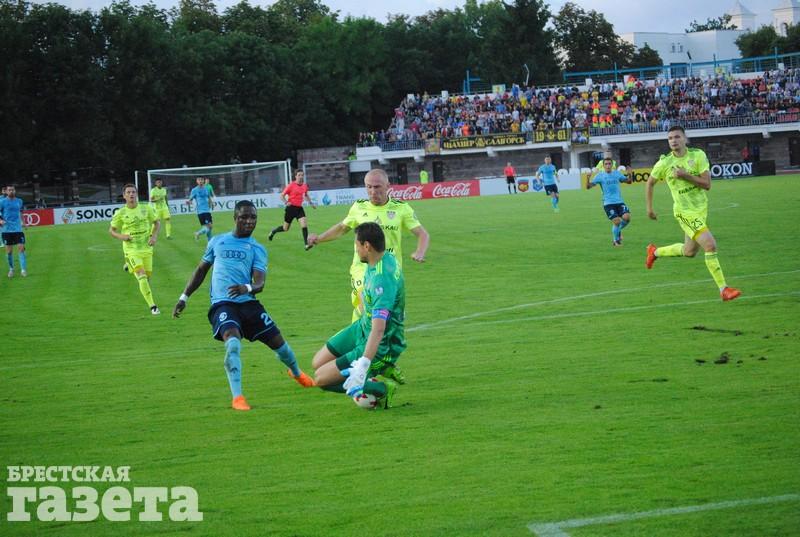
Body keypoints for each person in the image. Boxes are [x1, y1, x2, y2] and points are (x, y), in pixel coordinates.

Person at [172, 200, 314, 411]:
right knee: (232, 343)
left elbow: (260, 283)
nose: (249, 221)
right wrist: (184, 297)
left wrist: (246, 288)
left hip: (248, 304)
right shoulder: (217, 242)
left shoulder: (257, 248)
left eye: (253, 217)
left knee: (280, 344)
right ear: (235, 218)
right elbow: (201, 270)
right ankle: (237, 397)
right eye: (244, 217)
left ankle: (296, 372)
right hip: (223, 304)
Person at [306, 169, 429, 384]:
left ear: (388, 186)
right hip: (362, 271)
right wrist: (319, 238)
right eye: (369, 187)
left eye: (377, 187)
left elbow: (422, 234)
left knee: (374, 321)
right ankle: (368, 367)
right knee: (367, 315)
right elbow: (342, 228)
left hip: (387, 275)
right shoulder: (359, 207)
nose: (373, 191)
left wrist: (420, 251)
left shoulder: (401, 208)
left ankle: (372, 365)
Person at [311, 222, 403, 409]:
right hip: (361, 327)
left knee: (321, 379)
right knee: (317, 362)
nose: (356, 250)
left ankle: (382, 388)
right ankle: (380, 371)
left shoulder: (381, 281)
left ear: (367, 246)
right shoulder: (383, 258)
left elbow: (379, 329)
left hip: (377, 343)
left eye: (357, 245)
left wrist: (363, 364)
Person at [645, 126, 741, 301]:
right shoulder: (664, 163)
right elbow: (650, 183)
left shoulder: (698, 155)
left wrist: (685, 175)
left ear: (685, 138)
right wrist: (649, 208)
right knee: (710, 245)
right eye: (670, 138)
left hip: (701, 209)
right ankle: (724, 289)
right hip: (684, 212)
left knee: (689, 251)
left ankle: (655, 252)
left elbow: (707, 184)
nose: (673, 141)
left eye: (677, 137)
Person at [109, 184, 161, 314]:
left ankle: (129, 265)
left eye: (133, 192)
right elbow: (111, 230)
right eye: (128, 192)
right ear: (124, 196)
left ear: (136, 194)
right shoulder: (121, 213)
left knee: (147, 279)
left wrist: (154, 236)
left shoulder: (146, 208)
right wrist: (122, 236)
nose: (131, 194)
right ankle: (153, 306)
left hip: (147, 248)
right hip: (131, 249)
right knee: (142, 276)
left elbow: (157, 223)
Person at [587, 158, 632, 246]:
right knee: (617, 221)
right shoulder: (600, 175)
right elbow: (588, 186)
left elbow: (629, 182)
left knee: (627, 217)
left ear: (612, 165)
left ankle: (618, 230)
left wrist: (630, 174)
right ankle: (616, 241)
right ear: (603, 166)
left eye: (609, 164)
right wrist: (588, 178)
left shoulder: (617, 173)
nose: (608, 166)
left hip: (619, 201)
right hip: (608, 203)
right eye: (606, 164)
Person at [268, 170, 316, 250]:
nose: (301, 176)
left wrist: (311, 203)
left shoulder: (304, 186)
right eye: (299, 175)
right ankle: (273, 231)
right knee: (285, 228)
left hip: (299, 209)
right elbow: (282, 195)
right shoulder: (291, 185)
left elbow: (306, 195)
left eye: (302, 175)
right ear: (295, 176)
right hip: (291, 209)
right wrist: (286, 202)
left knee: (304, 224)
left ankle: (306, 245)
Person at [0, 186, 27, 278]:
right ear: (6, 192)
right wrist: (0, 221)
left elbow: (21, 212)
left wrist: (23, 222)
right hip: (6, 230)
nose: (11, 191)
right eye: (9, 190)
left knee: (21, 248)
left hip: (18, 229)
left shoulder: (19, 201)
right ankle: (11, 269)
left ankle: (23, 270)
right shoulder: (2, 202)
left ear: (15, 191)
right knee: (9, 252)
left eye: (13, 190)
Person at [187, 177, 213, 241]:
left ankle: (209, 242)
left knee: (207, 227)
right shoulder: (194, 190)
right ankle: (198, 233)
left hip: (207, 210)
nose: (200, 181)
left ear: (204, 181)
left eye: (202, 180)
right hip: (201, 211)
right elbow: (190, 199)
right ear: (197, 181)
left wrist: (211, 204)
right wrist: (189, 202)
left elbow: (209, 197)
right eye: (199, 180)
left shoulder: (206, 188)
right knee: (210, 226)